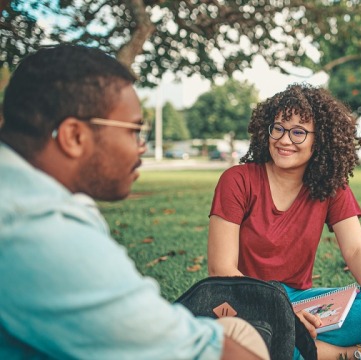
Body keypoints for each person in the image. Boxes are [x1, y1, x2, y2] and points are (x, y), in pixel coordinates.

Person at [0, 44, 269, 360]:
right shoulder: (38, 229)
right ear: (74, 136)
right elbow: (205, 352)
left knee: (236, 330)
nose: (141, 147)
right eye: (134, 131)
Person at [207, 84, 361, 360]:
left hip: (300, 302)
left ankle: (292, 347)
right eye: (279, 128)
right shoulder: (237, 181)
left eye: (298, 132)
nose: (285, 140)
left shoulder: (331, 187)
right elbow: (220, 270)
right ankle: (347, 354)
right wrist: (283, 314)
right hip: (244, 302)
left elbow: (356, 250)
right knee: (248, 338)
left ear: (319, 140)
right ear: (267, 130)